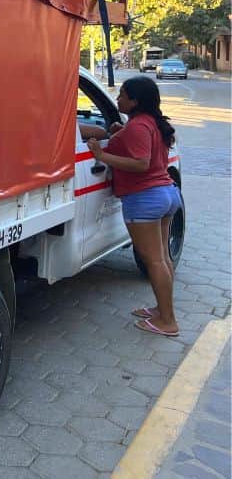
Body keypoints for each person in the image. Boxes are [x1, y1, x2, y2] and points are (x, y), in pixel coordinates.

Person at [86, 75, 181, 337]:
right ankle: (162, 310)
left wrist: (101, 155)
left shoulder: (139, 126)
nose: (117, 99)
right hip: (165, 194)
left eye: (122, 95)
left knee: (154, 261)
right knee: (161, 258)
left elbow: (141, 163)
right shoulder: (150, 123)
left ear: (135, 101)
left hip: (145, 199)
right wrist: (121, 132)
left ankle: (168, 321)